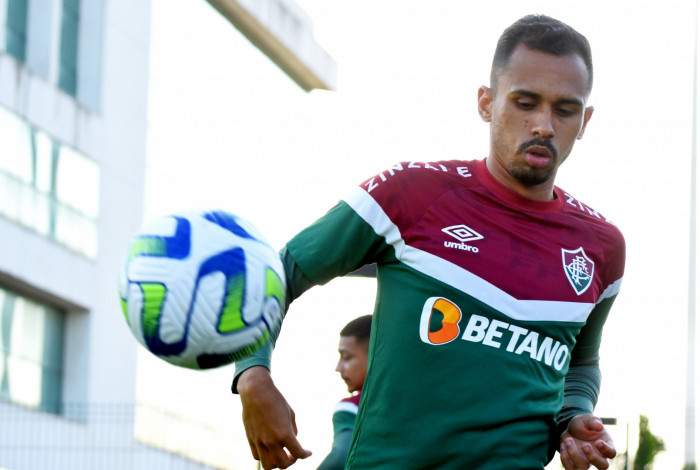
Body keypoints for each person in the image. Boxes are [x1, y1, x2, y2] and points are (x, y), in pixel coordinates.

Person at [232, 14, 625, 470]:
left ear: (585, 120)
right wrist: (252, 376)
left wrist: (574, 417)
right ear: (486, 103)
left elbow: (581, 363)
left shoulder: (602, 247)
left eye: (565, 110)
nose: (543, 125)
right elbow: (277, 274)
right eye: (525, 102)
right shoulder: (409, 193)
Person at [317, 315, 371, 470]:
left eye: (346, 357)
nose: (338, 368)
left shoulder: (352, 408)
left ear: (375, 354)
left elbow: (341, 458)